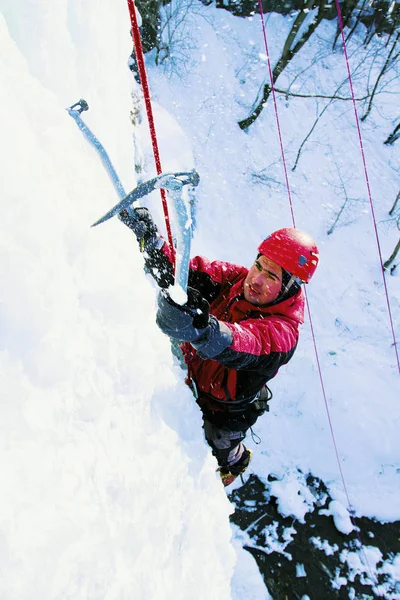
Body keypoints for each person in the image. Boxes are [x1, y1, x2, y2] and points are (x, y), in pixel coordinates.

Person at [120, 208, 319, 486]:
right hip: (194, 374)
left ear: (289, 287)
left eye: (271, 277)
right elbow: (184, 274)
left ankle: (234, 462)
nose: (256, 279)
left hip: (222, 411)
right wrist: (154, 244)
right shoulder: (234, 280)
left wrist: (202, 329)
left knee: (219, 447)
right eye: (258, 265)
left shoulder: (283, 333)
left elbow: (242, 342)